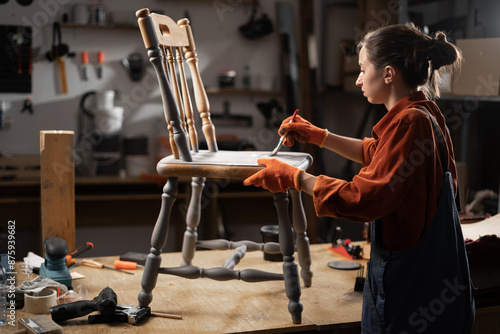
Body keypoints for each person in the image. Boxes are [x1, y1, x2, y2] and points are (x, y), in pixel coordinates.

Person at [244, 23, 475, 333]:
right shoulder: (425, 112)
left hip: (411, 290)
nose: (358, 78)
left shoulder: (409, 122)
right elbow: (379, 155)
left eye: (364, 69)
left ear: (389, 74)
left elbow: (365, 197)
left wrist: (297, 179)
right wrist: (319, 135)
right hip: (429, 280)